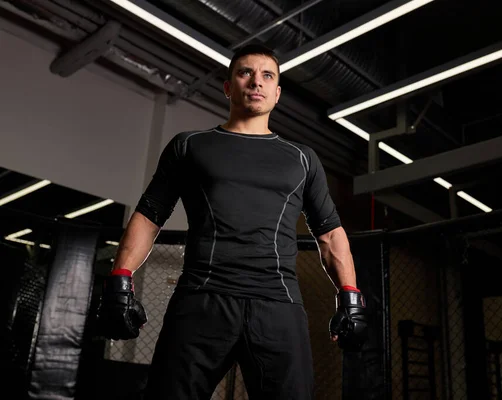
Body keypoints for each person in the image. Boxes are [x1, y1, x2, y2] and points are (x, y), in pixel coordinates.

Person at [97, 44, 368, 400]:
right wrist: (120, 278)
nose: (256, 82)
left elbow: (330, 233)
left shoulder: (302, 158)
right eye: (245, 73)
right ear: (228, 86)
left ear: (277, 93)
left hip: (278, 305)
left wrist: (350, 295)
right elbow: (149, 215)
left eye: (267, 76)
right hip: (201, 301)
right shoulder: (191, 146)